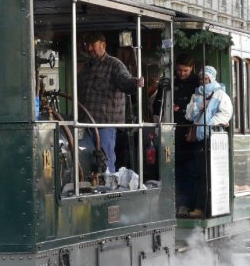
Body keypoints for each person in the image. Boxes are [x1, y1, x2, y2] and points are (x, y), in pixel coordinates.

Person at [78, 31, 144, 174]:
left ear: (103, 45)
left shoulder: (114, 65)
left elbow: (125, 81)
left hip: (104, 125)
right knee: (85, 161)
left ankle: (108, 190)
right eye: (87, 45)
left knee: (105, 162)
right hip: (86, 124)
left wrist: (135, 83)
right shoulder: (86, 68)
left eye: (92, 45)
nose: (89, 49)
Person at [184, 65, 233, 218]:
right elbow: (189, 115)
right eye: (200, 79)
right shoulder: (196, 95)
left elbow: (226, 114)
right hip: (199, 139)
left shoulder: (219, 94)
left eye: (205, 79)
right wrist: (199, 106)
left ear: (211, 78)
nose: (202, 82)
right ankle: (198, 205)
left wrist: (210, 122)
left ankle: (205, 207)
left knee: (208, 174)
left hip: (212, 139)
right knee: (199, 173)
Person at [153, 53, 199, 215]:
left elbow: (200, 109)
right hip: (170, 134)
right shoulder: (168, 84)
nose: (182, 73)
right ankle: (170, 205)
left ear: (191, 69)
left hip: (189, 134)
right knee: (171, 171)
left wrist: (182, 109)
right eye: (179, 70)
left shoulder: (197, 84)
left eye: (185, 71)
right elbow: (156, 106)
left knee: (188, 172)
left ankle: (185, 204)